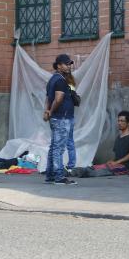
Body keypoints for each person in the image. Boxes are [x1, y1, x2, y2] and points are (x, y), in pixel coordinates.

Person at [71, 111, 129, 178]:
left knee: (105, 170)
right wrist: (113, 161)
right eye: (118, 121)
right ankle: (74, 171)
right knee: (96, 167)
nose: (119, 123)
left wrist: (117, 162)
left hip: (127, 166)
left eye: (122, 121)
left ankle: (84, 173)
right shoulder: (119, 137)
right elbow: (118, 155)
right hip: (117, 163)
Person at [43, 54, 77, 185]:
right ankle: (58, 176)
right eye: (66, 64)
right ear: (58, 66)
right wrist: (50, 111)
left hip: (58, 118)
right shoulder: (61, 81)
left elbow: (48, 98)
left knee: (54, 147)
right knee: (59, 148)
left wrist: (47, 111)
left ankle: (50, 175)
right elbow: (58, 99)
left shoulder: (52, 79)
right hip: (62, 118)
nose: (68, 66)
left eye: (69, 64)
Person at [64, 72, 80, 172]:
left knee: (61, 143)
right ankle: (71, 165)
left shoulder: (67, 86)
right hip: (70, 116)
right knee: (70, 142)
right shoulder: (72, 86)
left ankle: (68, 165)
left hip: (65, 117)